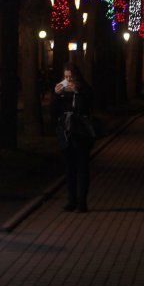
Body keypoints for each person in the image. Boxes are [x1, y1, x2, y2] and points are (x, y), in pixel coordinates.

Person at [51, 62, 95, 213]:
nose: (68, 80)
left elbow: (87, 107)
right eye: (66, 77)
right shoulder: (62, 90)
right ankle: (71, 200)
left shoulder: (84, 89)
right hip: (66, 132)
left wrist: (77, 92)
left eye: (71, 77)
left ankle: (82, 202)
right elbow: (54, 110)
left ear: (77, 76)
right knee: (69, 169)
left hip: (81, 133)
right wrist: (56, 95)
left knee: (82, 168)